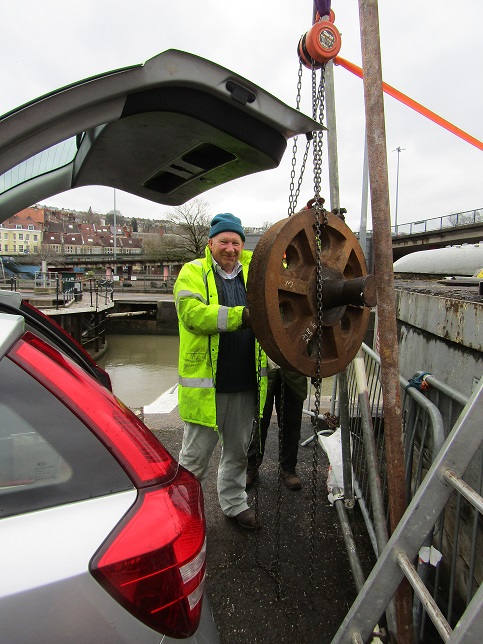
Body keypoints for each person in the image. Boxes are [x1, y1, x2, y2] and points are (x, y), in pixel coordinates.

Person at [173, 213, 267, 530]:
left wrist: (316, 232)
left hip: (244, 383)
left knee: (238, 453)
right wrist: (244, 316)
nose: (230, 248)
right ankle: (179, 514)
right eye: (223, 241)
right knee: (194, 459)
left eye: (235, 242)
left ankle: (234, 504)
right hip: (207, 390)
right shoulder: (193, 272)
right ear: (211, 242)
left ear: (242, 245)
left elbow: (292, 267)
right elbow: (193, 315)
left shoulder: (255, 272)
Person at [246, 360, 307, 490]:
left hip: (293, 371)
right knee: (257, 425)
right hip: (263, 370)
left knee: (291, 424)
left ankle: (289, 468)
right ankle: (250, 467)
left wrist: (315, 372)